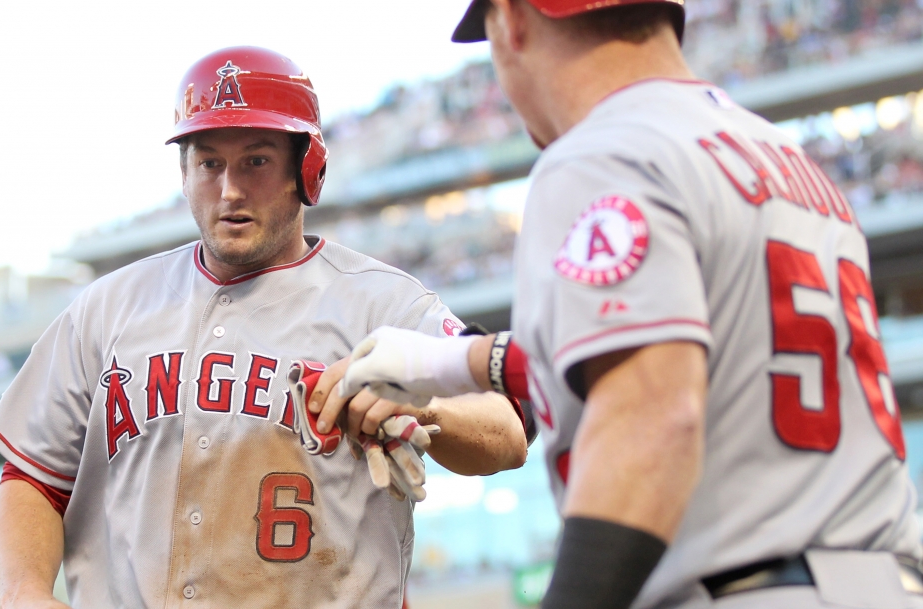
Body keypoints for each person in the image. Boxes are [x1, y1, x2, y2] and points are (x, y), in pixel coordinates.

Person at [333, 1, 923, 607]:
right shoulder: (788, 156)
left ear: (513, 22)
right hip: (884, 580)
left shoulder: (601, 151)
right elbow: (682, 346)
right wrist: (445, 364)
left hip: (748, 587)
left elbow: (651, 414)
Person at [0, 46, 528, 609]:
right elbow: (33, 477)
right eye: (210, 163)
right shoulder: (106, 309)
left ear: (306, 170)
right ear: (185, 173)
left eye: (257, 161)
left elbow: (506, 433)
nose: (230, 190)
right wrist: (23, 591)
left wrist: (424, 406)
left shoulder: (381, 301)